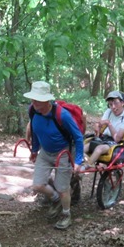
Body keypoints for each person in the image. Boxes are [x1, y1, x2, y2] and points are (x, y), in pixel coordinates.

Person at [24, 81, 84, 230]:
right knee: (38, 185)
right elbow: (36, 132)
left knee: (63, 188)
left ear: (47, 100)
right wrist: (34, 151)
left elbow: (78, 137)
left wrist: (78, 160)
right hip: (45, 152)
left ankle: (66, 214)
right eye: (33, 98)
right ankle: (55, 199)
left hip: (63, 152)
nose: (34, 101)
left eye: (38, 99)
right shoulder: (33, 111)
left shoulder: (62, 115)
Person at [80, 91, 124, 169]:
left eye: (116, 103)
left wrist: (109, 124)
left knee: (99, 149)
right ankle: (82, 165)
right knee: (82, 148)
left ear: (122, 103)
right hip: (103, 139)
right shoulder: (109, 112)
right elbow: (100, 124)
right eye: (110, 104)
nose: (113, 107)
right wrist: (97, 125)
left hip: (117, 144)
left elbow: (117, 139)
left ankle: (84, 169)